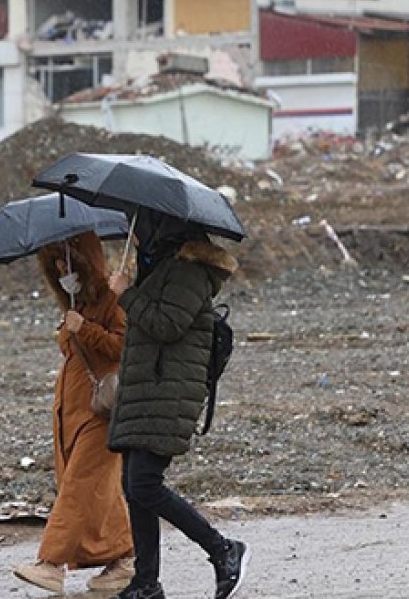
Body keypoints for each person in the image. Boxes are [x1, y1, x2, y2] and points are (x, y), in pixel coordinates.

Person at [106, 208, 249, 599]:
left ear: (163, 229)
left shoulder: (188, 272)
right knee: (133, 486)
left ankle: (223, 549)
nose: (136, 236)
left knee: (145, 483)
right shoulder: (160, 266)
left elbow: (167, 325)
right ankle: (146, 582)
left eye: (142, 227)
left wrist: (126, 295)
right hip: (146, 391)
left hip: (169, 392)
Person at [14, 231, 136, 594]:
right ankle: (123, 558)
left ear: (87, 261)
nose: (62, 269)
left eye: (68, 261)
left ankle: (51, 564)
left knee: (80, 484)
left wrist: (86, 329)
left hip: (100, 410)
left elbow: (122, 348)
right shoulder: (75, 303)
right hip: (71, 411)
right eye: (56, 264)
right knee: (95, 487)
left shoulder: (113, 300)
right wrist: (72, 327)